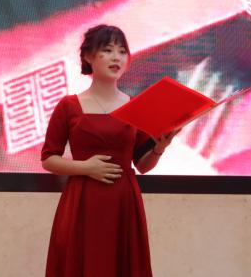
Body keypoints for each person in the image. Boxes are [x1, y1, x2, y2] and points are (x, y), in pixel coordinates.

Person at [41, 24, 180, 277]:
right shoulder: (68, 106)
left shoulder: (135, 106)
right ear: (88, 56)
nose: (117, 57)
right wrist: (85, 168)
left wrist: (159, 148)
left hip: (123, 202)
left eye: (122, 51)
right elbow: (48, 159)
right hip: (82, 202)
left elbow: (142, 165)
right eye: (107, 50)